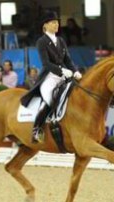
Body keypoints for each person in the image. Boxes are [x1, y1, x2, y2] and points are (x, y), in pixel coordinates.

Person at [20, 10, 82, 143]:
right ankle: (37, 129)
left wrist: (75, 71)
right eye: (53, 23)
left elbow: (68, 60)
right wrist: (61, 71)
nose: (56, 25)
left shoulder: (61, 40)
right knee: (49, 99)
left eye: (57, 23)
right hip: (49, 77)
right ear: (45, 25)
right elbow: (46, 63)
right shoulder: (41, 41)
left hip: (64, 75)